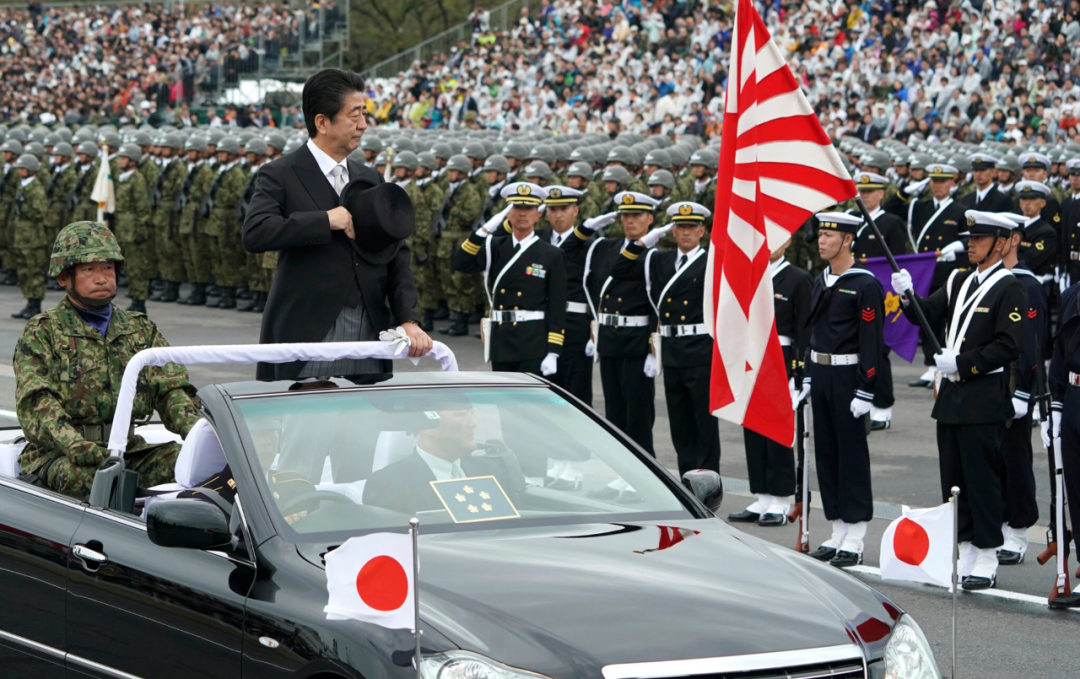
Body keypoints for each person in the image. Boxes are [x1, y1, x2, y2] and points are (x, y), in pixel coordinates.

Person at [243, 68, 431, 378]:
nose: (363, 124)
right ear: (322, 122)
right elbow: (256, 232)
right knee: (304, 421)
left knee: (364, 423)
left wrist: (408, 320)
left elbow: (396, 255)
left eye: (364, 114)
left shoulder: (369, 178)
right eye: (354, 114)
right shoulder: (281, 173)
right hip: (307, 330)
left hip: (369, 330)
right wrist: (324, 220)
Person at [14, 222, 201, 499]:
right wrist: (73, 443)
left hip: (127, 449)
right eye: (89, 270)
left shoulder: (140, 329)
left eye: (108, 268)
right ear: (64, 277)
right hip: (61, 455)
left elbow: (171, 390)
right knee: (92, 480)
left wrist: (200, 434)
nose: (102, 278)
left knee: (195, 465)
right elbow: (38, 400)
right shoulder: (44, 331)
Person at [892, 210, 1027, 590]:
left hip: (983, 395)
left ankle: (986, 554)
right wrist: (906, 296)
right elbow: (926, 314)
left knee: (982, 479)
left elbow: (1009, 345)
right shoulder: (958, 280)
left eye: (980, 238)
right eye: (970, 238)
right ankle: (964, 546)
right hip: (952, 397)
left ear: (1000, 244)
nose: (971, 244)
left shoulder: (1009, 286)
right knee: (954, 478)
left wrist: (964, 363)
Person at [611, 201, 720, 478]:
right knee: (680, 422)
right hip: (671, 349)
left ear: (702, 230)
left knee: (703, 422)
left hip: (700, 348)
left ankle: (708, 481)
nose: (686, 233)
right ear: (672, 230)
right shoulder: (658, 259)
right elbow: (620, 269)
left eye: (692, 227)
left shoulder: (712, 261)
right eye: (680, 227)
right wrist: (646, 240)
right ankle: (687, 478)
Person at [805, 212, 884, 568]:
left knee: (851, 456)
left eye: (828, 235)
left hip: (849, 375)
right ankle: (837, 528)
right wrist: (806, 376)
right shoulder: (820, 280)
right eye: (820, 234)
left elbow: (872, 342)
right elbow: (812, 332)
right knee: (827, 453)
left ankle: (856, 535)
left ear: (848, 239)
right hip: (821, 373)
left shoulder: (864, 283)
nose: (821, 240)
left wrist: (867, 388)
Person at [729, 237, 811, 526]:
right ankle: (762, 495)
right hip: (752, 359)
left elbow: (804, 330)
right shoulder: (751, 276)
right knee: (753, 428)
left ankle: (781, 499)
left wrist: (798, 373)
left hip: (781, 359)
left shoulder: (798, 279)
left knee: (778, 432)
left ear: (789, 241)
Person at [578, 191, 660, 467]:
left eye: (637, 215)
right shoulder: (604, 248)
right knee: (613, 412)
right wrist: (588, 226)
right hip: (610, 338)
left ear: (650, 218)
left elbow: (657, 303)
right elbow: (585, 278)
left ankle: (646, 472)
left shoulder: (654, 254)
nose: (630, 221)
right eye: (625, 215)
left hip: (637, 341)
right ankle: (620, 473)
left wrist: (654, 347)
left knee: (637, 414)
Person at [452, 182, 567, 374]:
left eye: (529, 208)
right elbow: (461, 263)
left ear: (538, 214)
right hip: (501, 339)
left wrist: (553, 352)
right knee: (503, 402)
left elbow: (557, 305)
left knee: (530, 403)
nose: (522, 214)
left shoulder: (551, 254)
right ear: (508, 213)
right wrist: (482, 232)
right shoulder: (494, 246)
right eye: (517, 207)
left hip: (533, 341)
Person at [998, 216, 1045, 565]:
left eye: (997, 236)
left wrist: (1024, 390)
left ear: (1013, 239)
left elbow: (1032, 342)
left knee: (1015, 458)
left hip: (1014, 381)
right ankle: (996, 523)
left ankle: (1018, 530)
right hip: (985, 379)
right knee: (990, 458)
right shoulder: (987, 278)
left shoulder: (1027, 283)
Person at [849, 172, 906, 430]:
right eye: (862, 190)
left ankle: (883, 407)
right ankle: (863, 399)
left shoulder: (892, 222)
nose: (866, 195)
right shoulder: (851, 221)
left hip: (882, 296)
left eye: (871, 190)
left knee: (879, 350)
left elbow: (901, 261)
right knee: (856, 348)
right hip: (853, 293)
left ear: (882, 193)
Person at [908, 163, 968, 388]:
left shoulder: (960, 210)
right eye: (934, 181)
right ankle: (930, 366)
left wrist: (958, 246)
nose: (938, 185)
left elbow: (972, 237)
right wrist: (909, 190)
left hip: (948, 273)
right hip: (924, 272)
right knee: (926, 318)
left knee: (947, 320)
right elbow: (896, 207)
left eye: (943, 181)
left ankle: (946, 363)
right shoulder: (920, 206)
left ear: (952, 183)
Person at [534, 186, 595, 405]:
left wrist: (594, 328)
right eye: (553, 209)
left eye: (564, 209)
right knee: (544, 393)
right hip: (542, 323)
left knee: (576, 392)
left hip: (575, 323)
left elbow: (595, 288)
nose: (558, 214)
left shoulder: (590, 245)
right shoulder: (535, 240)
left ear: (576, 211)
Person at [1047, 281, 1080, 608]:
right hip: (1073, 397)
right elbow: (1059, 351)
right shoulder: (1073, 294)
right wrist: (1055, 405)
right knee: (1076, 490)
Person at [111, 144, 152, 314]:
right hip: (122, 229)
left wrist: (141, 231)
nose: (120, 161)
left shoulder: (137, 179)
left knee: (137, 268)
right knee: (126, 267)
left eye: (124, 158)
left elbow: (143, 209)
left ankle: (139, 300)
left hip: (133, 230)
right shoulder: (122, 178)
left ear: (132, 161)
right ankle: (134, 296)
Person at [10, 153, 48, 319]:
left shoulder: (36, 188)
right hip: (22, 237)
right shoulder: (23, 186)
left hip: (33, 239)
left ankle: (35, 303)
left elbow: (40, 212)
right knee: (24, 271)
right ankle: (28, 302)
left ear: (31, 170)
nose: (20, 171)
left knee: (34, 272)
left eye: (23, 168)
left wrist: (23, 207)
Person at [1013, 180, 1059, 278]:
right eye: (1023, 198)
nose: (1027, 203)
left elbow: (1030, 260)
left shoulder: (1046, 232)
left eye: (1032, 198)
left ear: (1042, 203)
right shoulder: (1013, 226)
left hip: (1031, 278)